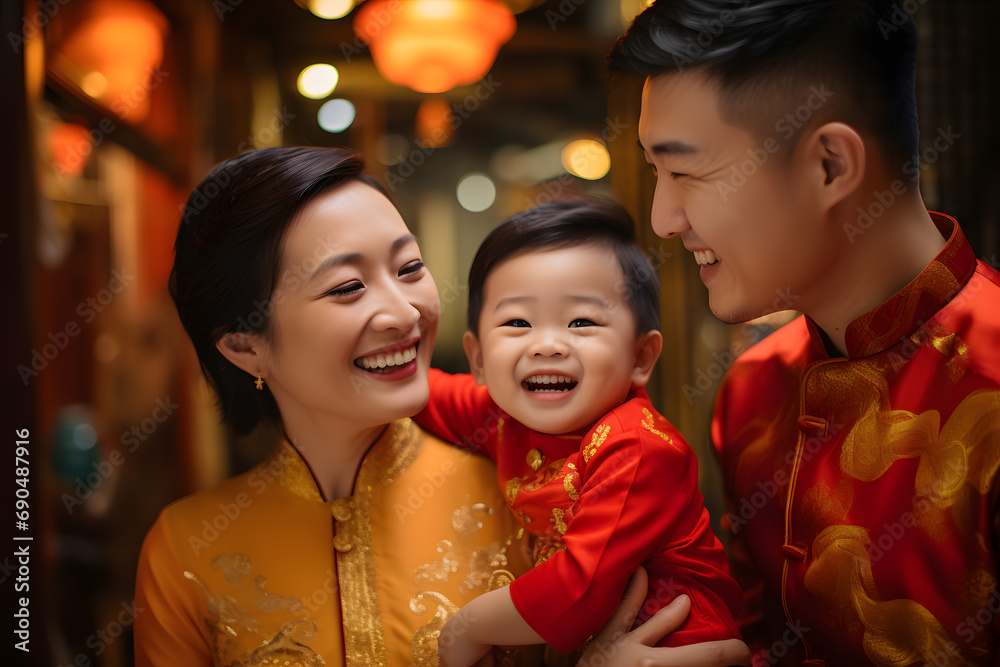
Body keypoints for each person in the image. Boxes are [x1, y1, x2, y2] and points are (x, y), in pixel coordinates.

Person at [605, 0, 1000, 664]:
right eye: (654, 171)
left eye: (687, 172)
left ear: (830, 166)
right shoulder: (752, 391)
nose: (664, 217)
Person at [133, 146, 542, 666]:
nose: (403, 311)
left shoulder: (528, 497)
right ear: (246, 347)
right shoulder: (184, 552)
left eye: (410, 267)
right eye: (348, 287)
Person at [416, 200, 743, 665]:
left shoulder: (637, 446)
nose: (547, 345)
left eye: (582, 322)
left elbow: (579, 583)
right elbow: (422, 392)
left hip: (672, 641)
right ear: (479, 360)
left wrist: (466, 627)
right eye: (517, 323)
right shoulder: (500, 415)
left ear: (641, 358)